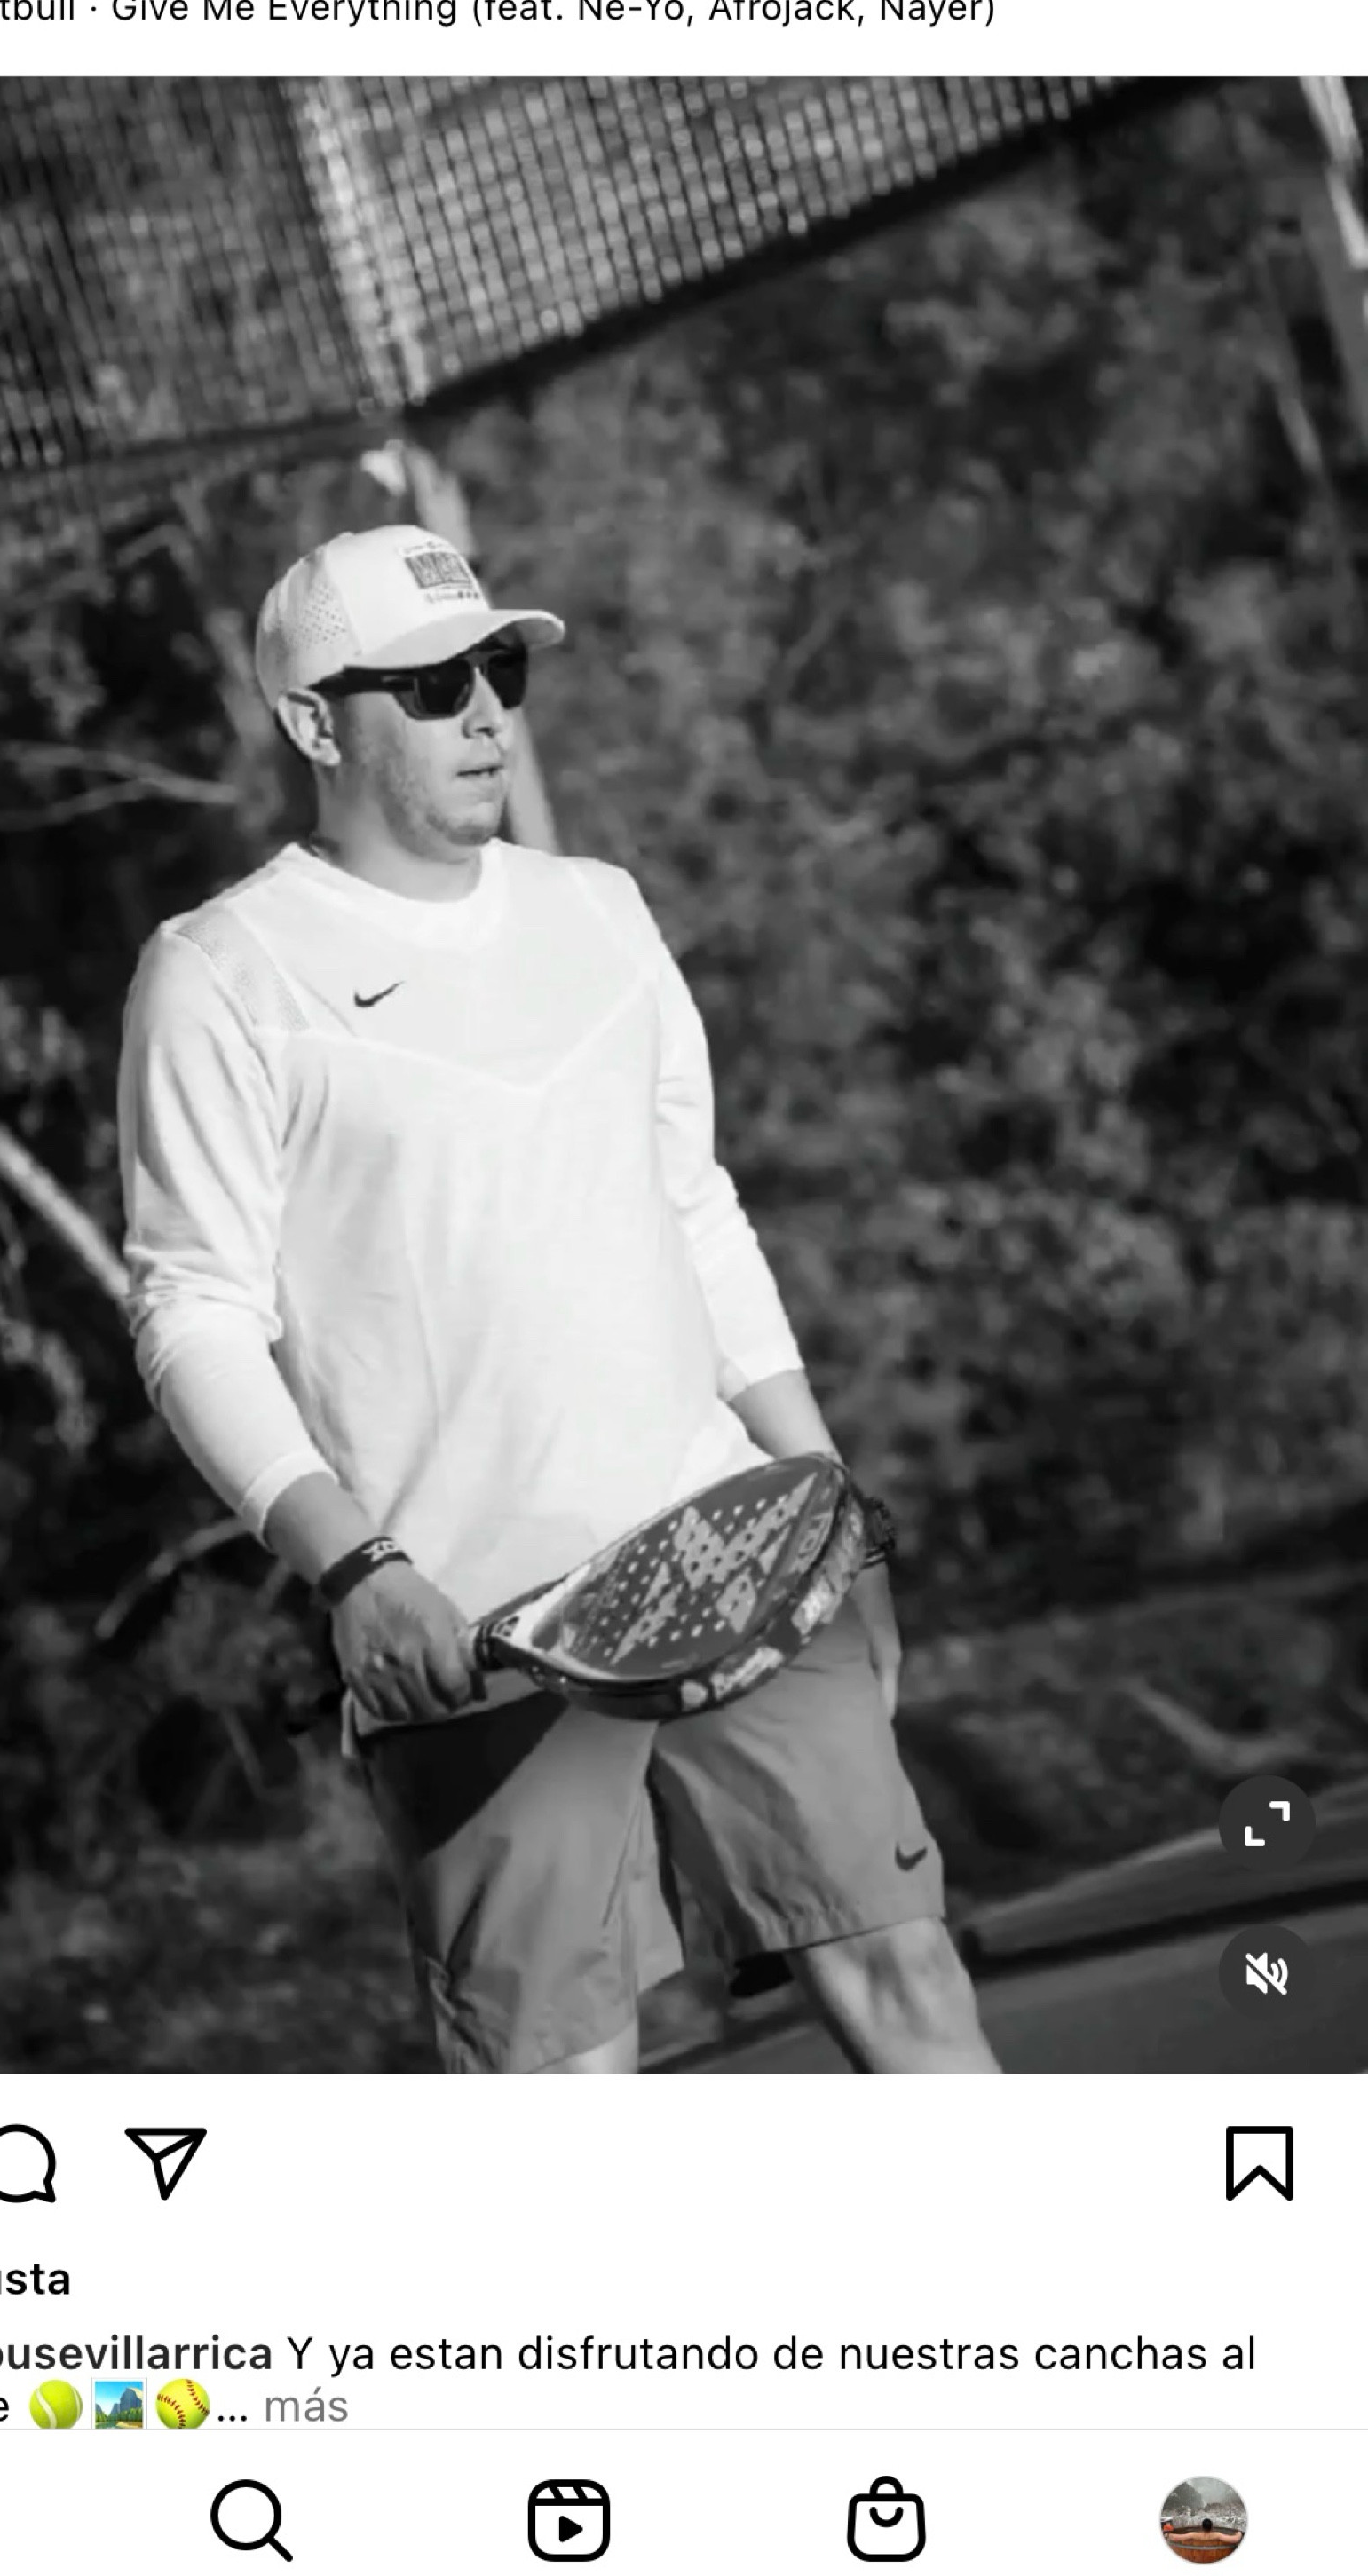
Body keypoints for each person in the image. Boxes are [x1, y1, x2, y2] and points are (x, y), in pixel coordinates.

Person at [118, 522, 997, 2079]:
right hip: (471, 1632)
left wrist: (823, 1497)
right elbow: (191, 1311)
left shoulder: (600, 908)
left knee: (910, 1980)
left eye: (499, 671)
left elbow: (692, 1205)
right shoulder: (220, 972)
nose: (484, 713)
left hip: (727, 1553)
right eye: (430, 684)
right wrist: (354, 1567)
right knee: (561, 2085)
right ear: (315, 721)